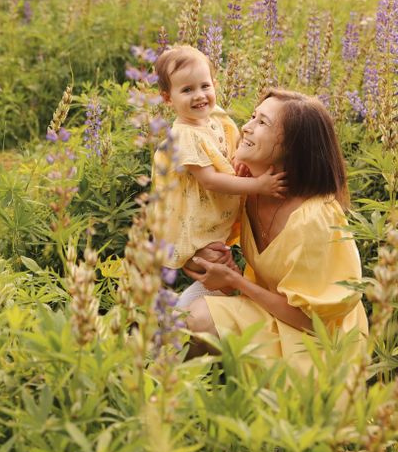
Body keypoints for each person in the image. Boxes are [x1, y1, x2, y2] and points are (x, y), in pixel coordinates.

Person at [182, 88, 368, 372]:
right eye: (253, 117)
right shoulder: (251, 188)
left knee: (199, 317)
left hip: (317, 343)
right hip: (272, 314)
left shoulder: (314, 220)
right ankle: (156, 396)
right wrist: (208, 259)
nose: (246, 127)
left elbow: (310, 321)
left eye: (262, 123)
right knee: (175, 313)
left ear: (292, 148)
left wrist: (235, 280)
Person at [152, 45, 286, 305]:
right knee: (223, 278)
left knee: (226, 275)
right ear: (168, 98)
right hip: (198, 228)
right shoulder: (183, 135)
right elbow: (210, 180)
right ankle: (180, 321)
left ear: (215, 84)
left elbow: (229, 149)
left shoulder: (214, 118)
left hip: (216, 220)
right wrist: (258, 184)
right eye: (187, 90)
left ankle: (194, 318)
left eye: (204, 86)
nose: (199, 96)